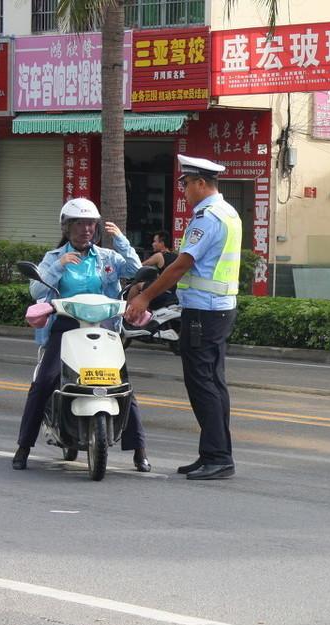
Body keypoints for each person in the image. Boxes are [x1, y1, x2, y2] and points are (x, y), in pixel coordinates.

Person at [124, 155, 241, 481]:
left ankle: (218, 457)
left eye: (186, 184)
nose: (183, 191)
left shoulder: (206, 218)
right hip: (219, 308)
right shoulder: (228, 212)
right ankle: (214, 453)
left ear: (201, 183)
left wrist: (145, 296)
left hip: (203, 311)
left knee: (202, 383)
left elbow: (180, 265)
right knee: (214, 382)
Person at [12, 198, 149, 472]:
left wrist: (121, 240)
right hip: (66, 328)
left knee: (122, 384)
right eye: (79, 224)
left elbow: (135, 270)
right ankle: (23, 447)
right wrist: (60, 265)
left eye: (90, 224)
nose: (86, 229)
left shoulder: (107, 257)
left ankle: (139, 450)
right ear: (67, 227)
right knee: (45, 380)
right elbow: (37, 292)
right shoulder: (54, 258)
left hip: (103, 328)